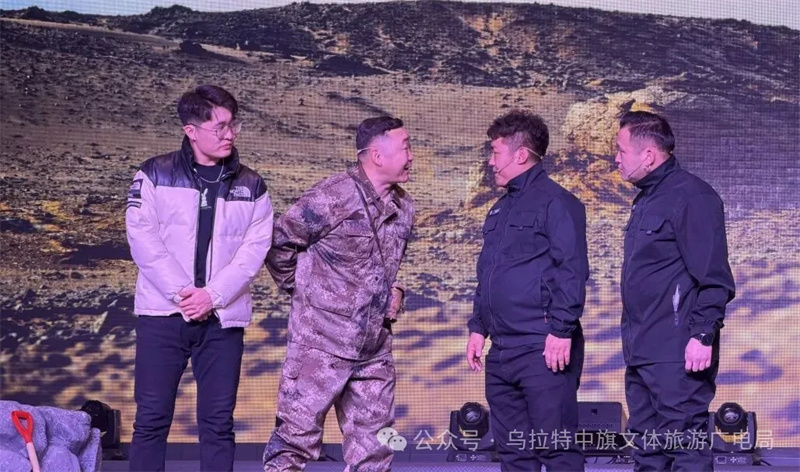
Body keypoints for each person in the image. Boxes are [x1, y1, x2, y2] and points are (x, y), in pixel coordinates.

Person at [125, 85, 273, 472]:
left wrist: (213, 296)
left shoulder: (252, 185)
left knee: (218, 425)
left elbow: (253, 252)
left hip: (222, 321)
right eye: (219, 127)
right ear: (191, 130)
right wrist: (184, 294)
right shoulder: (154, 174)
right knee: (151, 420)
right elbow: (143, 240)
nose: (230, 134)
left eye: (233, 125)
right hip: (162, 317)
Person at [262, 116, 415, 471]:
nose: (412, 156)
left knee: (375, 451)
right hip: (320, 346)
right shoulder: (331, 197)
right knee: (293, 445)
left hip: (373, 350)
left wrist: (395, 289)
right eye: (406, 147)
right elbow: (279, 244)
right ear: (377, 155)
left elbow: (386, 265)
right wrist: (309, 294)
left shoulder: (404, 207)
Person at [466, 110, 589, 472]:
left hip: (543, 347)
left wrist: (561, 330)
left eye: (495, 153)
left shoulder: (558, 202)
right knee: (514, 454)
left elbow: (572, 270)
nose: (491, 162)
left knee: (555, 450)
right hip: (502, 351)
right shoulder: (499, 209)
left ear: (520, 154)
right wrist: (478, 327)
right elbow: (488, 273)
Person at [615, 111, 735, 471]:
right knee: (648, 450)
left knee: (685, 447)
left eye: (621, 150)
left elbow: (714, 277)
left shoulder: (692, 197)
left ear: (649, 155)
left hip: (678, 352)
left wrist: (703, 334)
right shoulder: (648, 199)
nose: (616, 159)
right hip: (642, 350)